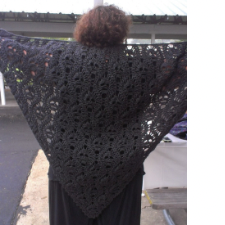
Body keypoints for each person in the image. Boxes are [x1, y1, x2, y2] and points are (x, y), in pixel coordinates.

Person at [0, 4, 187, 225]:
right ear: (121, 30)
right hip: (122, 167)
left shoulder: (60, 59)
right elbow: (183, 64)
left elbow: (16, 53)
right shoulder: (142, 64)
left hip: (69, 163)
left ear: (84, 28)